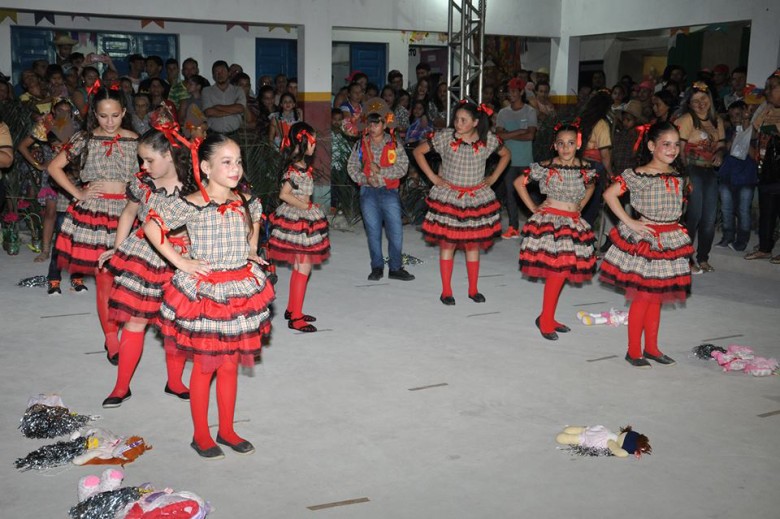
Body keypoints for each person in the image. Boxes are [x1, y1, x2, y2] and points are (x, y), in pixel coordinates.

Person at [142, 133, 274, 459]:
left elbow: (254, 221)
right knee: (205, 365)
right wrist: (181, 262)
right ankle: (201, 434)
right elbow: (151, 227)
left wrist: (252, 250)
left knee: (229, 365)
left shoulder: (244, 200)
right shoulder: (191, 204)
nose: (235, 168)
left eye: (238, 161)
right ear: (205, 167)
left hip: (238, 288)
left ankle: (226, 430)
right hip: (206, 293)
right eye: (226, 162)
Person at [98, 122, 194, 408]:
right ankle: (121, 386)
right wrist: (118, 250)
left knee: (176, 323)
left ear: (169, 155)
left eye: (149, 159)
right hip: (147, 255)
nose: (144, 165)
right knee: (135, 320)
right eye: (141, 159)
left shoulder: (193, 184)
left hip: (182, 259)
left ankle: (174, 382)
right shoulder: (143, 184)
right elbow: (128, 215)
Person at [47, 87, 139, 365]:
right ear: (94, 115)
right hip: (95, 214)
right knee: (104, 280)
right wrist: (79, 194)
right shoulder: (84, 139)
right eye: (102, 116)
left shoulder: (137, 141)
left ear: (124, 112)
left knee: (129, 281)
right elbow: (54, 167)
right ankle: (112, 339)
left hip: (128, 212)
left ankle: (122, 327)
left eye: (114, 115)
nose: (109, 122)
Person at [600, 122, 693, 368]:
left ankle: (652, 348)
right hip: (647, 240)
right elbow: (609, 195)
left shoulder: (677, 175)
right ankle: (634, 351)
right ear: (652, 146)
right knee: (643, 296)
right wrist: (630, 221)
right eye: (666, 144)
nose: (672, 149)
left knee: (657, 296)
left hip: (669, 238)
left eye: (675, 144)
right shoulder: (639, 174)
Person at [413, 100, 511, 304]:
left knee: (472, 244)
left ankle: (473, 289)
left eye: (463, 120)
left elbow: (506, 155)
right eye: (456, 119)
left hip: (475, 199)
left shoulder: (488, 140)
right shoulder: (445, 138)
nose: (458, 123)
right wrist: (434, 178)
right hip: (450, 199)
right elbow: (418, 152)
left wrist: (493, 178)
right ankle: (446, 291)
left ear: (475, 122)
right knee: (448, 243)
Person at [515, 122, 597, 339]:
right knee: (557, 271)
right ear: (555, 145)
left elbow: (591, 185)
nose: (566, 148)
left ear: (578, 144)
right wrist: (533, 207)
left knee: (562, 272)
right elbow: (518, 182)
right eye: (561, 144)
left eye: (570, 143)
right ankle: (546, 320)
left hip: (572, 222)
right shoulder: (547, 166)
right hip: (551, 223)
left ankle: (547, 316)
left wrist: (582, 203)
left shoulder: (585, 168)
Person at [267, 122, 330, 332]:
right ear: (304, 142)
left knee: (301, 266)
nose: (315, 145)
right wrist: (305, 205)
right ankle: (295, 318)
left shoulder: (299, 164)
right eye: (313, 141)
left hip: (300, 216)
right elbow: (284, 194)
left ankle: (293, 309)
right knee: (304, 266)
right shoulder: (297, 168)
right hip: (298, 218)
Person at [347, 98, 415, 282]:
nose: (373, 126)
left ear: (385, 124)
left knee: (395, 232)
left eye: (377, 122)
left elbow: (403, 168)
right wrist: (364, 178)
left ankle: (395, 268)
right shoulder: (361, 144)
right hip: (368, 191)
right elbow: (352, 166)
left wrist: (382, 172)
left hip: (389, 191)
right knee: (373, 232)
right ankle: (376, 267)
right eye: (370, 123)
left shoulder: (393, 144)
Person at [677, 82, 725, 273]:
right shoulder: (686, 120)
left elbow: (721, 144)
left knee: (709, 217)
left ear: (710, 100)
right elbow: (679, 151)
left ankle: (703, 257)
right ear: (689, 103)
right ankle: (686, 258)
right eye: (695, 100)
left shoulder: (717, 121)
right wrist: (685, 173)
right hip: (692, 169)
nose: (700, 103)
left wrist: (720, 153)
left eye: (704, 99)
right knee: (694, 215)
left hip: (709, 172)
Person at [745, 69, 780, 263]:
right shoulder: (767, 109)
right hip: (767, 169)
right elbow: (754, 131)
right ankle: (765, 248)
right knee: (766, 212)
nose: (767, 91)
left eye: (772, 87)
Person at [496, 78, 537, 239]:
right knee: (510, 194)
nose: (511, 94)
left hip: (526, 160)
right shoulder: (503, 113)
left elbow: (531, 136)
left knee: (531, 194)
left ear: (521, 92)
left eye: (514, 91)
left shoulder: (529, 111)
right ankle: (513, 227)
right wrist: (520, 131)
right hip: (509, 161)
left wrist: (509, 135)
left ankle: (535, 226)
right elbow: (499, 135)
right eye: (509, 91)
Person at [715, 101, 758, 251]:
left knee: (743, 210)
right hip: (727, 175)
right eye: (732, 116)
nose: (735, 119)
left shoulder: (753, 132)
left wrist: (744, 139)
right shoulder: (728, 131)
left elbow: (755, 155)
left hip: (747, 177)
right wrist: (733, 139)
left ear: (746, 114)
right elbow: (723, 149)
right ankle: (727, 236)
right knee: (726, 208)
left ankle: (742, 240)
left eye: (738, 115)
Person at [579, 91, 614, 228]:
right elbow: (605, 155)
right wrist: (611, 173)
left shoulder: (583, 120)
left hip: (581, 164)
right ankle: (586, 236)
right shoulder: (602, 124)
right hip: (595, 166)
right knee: (592, 203)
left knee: (580, 201)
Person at [202, 60, 246, 135]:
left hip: (234, 135)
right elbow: (209, 112)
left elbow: (240, 108)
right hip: (214, 135)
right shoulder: (207, 91)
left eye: (222, 71)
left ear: (229, 73)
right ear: (213, 75)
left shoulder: (238, 90)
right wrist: (233, 111)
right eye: (217, 72)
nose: (220, 74)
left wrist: (217, 107)